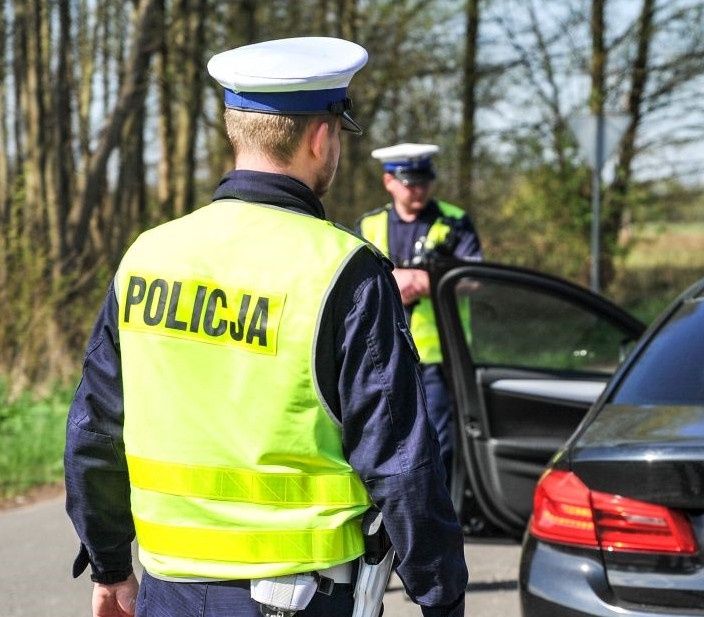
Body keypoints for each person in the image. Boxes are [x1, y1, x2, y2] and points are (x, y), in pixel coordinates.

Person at [64, 37, 467, 617]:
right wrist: (441, 597)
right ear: (321, 138)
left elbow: (94, 431)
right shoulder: (344, 270)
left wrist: (109, 566)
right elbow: (400, 461)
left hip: (167, 592)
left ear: (237, 131)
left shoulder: (146, 255)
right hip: (299, 599)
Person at [356, 144, 483, 487]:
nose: (419, 190)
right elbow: (351, 282)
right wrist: (392, 280)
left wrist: (422, 281)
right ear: (389, 182)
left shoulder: (453, 221)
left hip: (438, 357)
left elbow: (474, 278)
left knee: (437, 442)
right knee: (383, 438)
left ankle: (438, 505)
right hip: (383, 354)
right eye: (410, 182)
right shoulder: (369, 225)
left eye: (424, 181)